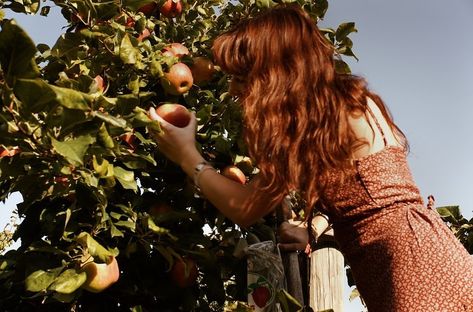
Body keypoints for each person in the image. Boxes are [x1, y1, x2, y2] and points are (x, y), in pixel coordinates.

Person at [149, 4, 473, 311]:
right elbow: (366, 203)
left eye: (241, 78)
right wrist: (312, 229)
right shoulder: (345, 104)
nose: (233, 90)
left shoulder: (319, 115)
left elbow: (246, 208)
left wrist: (187, 155)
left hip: (411, 269)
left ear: (270, 74)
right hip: (430, 255)